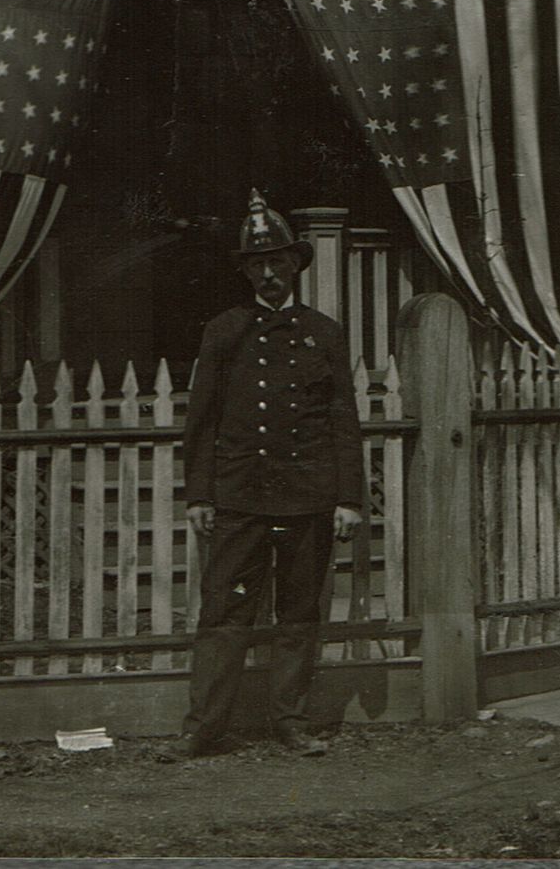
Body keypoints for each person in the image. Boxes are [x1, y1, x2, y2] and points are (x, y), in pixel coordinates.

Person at [162, 190, 365, 760]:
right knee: (223, 614)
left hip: (307, 495)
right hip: (241, 495)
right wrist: (199, 494)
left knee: (297, 616)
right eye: (257, 265)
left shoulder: (325, 332)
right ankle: (203, 729)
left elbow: (343, 418)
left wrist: (349, 497)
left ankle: (292, 723)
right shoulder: (224, 330)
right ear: (246, 271)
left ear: (295, 264)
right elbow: (202, 420)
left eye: (277, 262)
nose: (268, 274)